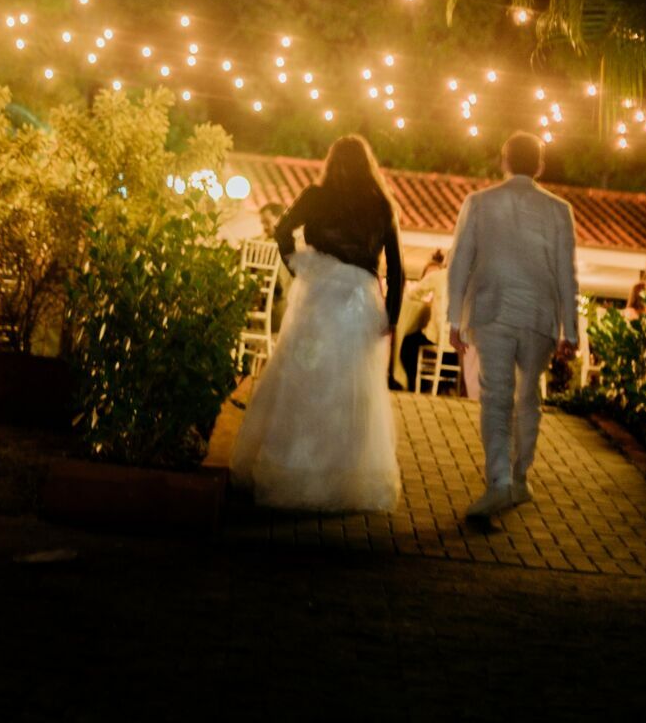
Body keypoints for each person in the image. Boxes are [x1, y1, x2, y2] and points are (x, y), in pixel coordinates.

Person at [230, 135, 404, 511]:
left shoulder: (315, 196)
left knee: (303, 377)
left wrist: (297, 264)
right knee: (351, 388)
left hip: (319, 296)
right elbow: (398, 268)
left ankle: (293, 466)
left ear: (331, 162)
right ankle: (345, 475)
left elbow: (281, 230)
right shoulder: (380, 205)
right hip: (360, 301)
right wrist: (390, 316)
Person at [447, 131, 579, 520]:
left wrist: (455, 319)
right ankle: (519, 477)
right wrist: (570, 332)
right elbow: (566, 274)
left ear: (503, 161)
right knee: (527, 398)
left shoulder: (479, 202)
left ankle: (500, 481)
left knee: (496, 397)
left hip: (492, 310)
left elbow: (459, 262)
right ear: (539, 164)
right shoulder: (559, 209)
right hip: (540, 316)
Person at [392, 251, 447, 391]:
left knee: (408, 344)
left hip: (438, 336)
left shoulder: (439, 277)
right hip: (460, 341)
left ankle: (412, 385)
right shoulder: (469, 281)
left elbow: (413, 293)